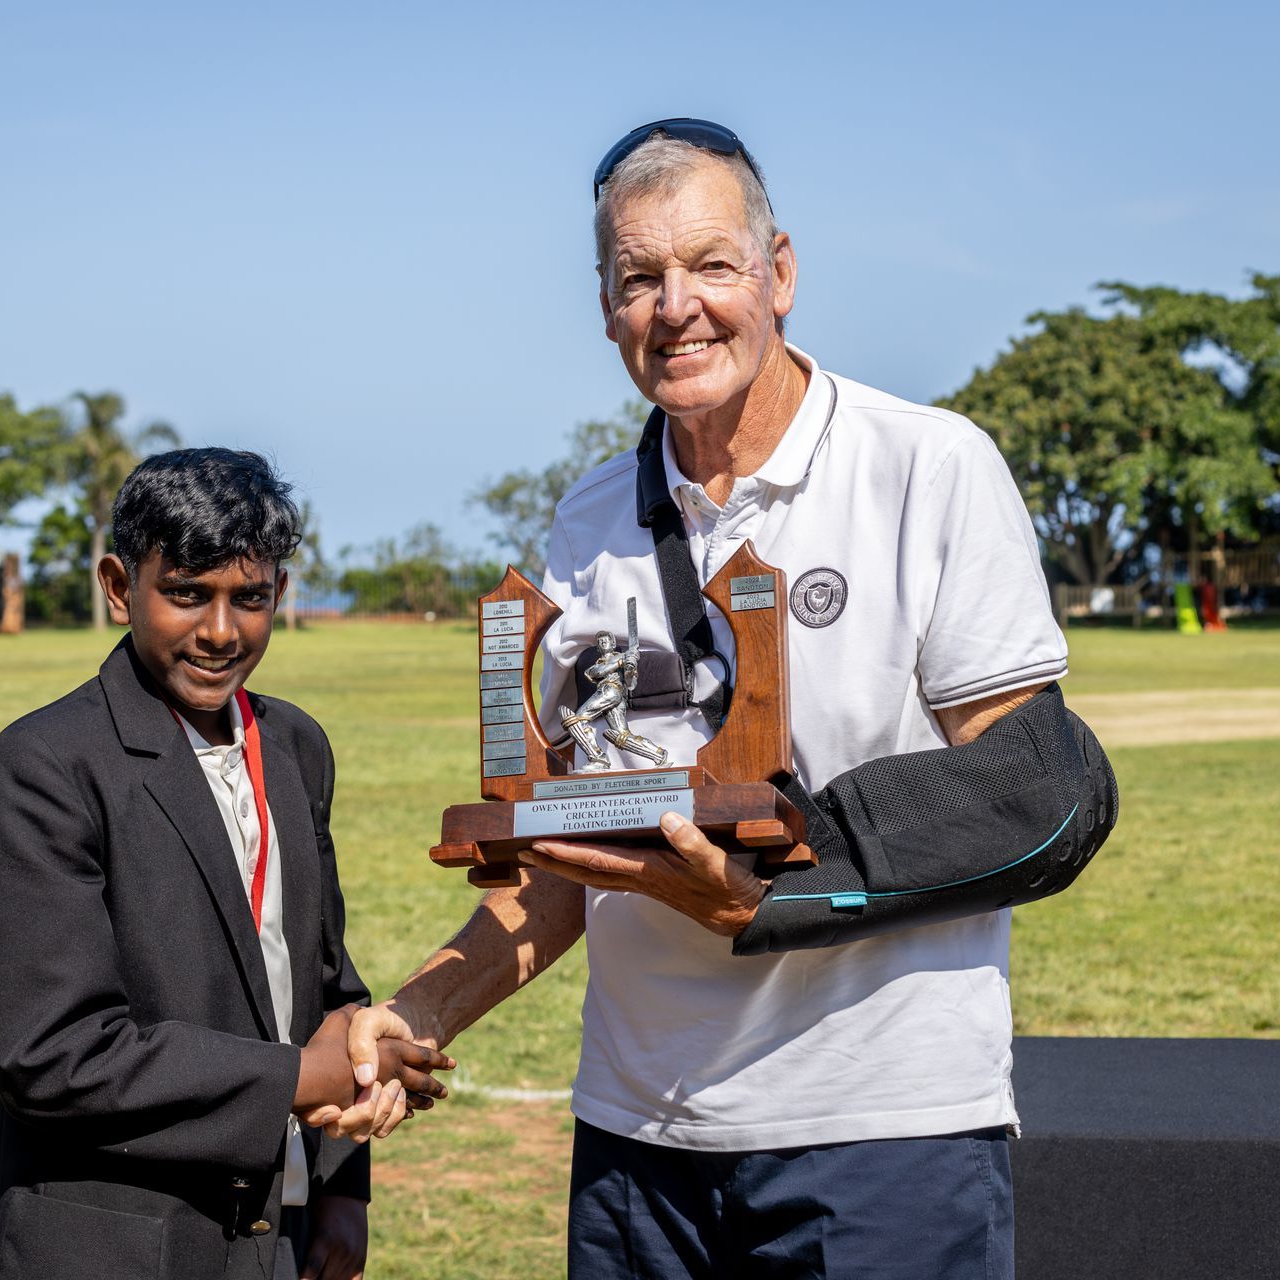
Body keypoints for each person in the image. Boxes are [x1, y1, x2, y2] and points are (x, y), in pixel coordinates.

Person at [315, 121, 1116, 1277]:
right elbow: (572, 855)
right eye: (639, 277)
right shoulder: (590, 519)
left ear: (779, 271)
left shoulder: (926, 465)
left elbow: (1024, 789)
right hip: (642, 1144)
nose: (676, 306)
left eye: (711, 264)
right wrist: (424, 1011)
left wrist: (764, 891)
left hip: (885, 1132)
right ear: (604, 308)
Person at [0, 448, 452, 1280]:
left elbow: (322, 981)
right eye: (187, 594)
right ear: (121, 587)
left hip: (275, 1231)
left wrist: (339, 1187)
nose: (222, 631)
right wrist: (299, 1079)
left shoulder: (295, 745)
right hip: (117, 1244)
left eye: (250, 598)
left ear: (280, 595)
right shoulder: (45, 764)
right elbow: (53, 1054)